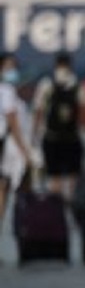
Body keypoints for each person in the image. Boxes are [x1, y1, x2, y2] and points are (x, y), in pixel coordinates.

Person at [32, 52, 84, 200]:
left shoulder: (46, 84)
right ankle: (69, 207)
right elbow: (84, 112)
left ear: (55, 64)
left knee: (54, 177)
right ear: (70, 65)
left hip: (51, 137)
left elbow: (39, 112)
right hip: (72, 137)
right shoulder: (77, 84)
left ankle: (56, 210)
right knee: (72, 177)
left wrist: (34, 136)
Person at [0, 53, 34, 231]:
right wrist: (24, 150)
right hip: (5, 144)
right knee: (4, 187)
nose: (11, 70)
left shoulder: (10, 91)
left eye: (13, 66)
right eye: (8, 66)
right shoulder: (6, 91)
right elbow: (12, 122)